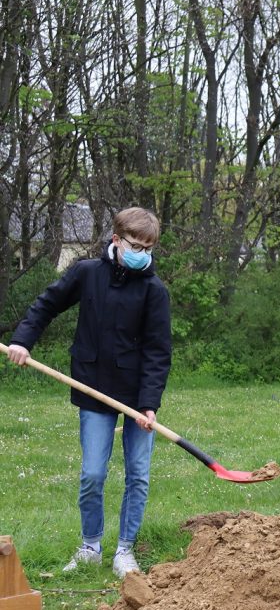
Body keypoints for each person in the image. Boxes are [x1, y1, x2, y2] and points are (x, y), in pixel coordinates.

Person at [6, 207, 172, 579]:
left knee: (138, 475)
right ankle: (90, 547)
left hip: (135, 398)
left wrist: (148, 404)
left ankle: (125, 551)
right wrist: (22, 341)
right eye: (135, 245)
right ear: (116, 239)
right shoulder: (87, 274)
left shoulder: (153, 291)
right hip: (93, 387)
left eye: (148, 247)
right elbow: (46, 304)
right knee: (93, 474)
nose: (142, 253)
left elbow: (158, 352)